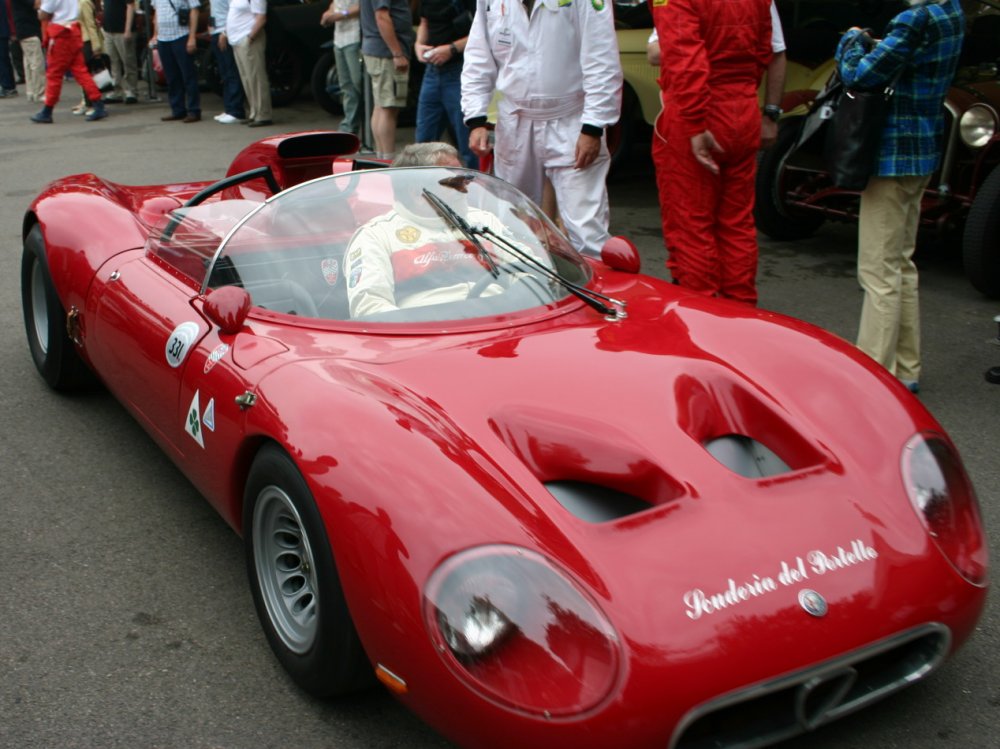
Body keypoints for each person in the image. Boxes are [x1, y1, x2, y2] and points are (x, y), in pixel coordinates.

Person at [836, 0, 964, 393]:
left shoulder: (914, 18)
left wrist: (852, 41)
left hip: (891, 156)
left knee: (878, 271)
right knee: (901, 265)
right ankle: (906, 369)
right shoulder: (952, 13)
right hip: (923, 153)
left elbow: (859, 76)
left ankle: (873, 377)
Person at [461, 0, 622, 258]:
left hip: (571, 121)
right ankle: (521, 291)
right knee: (512, 222)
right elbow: (478, 56)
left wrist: (593, 126)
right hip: (515, 122)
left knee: (586, 229)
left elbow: (601, 58)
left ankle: (597, 292)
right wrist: (476, 118)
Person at [651, 0, 784, 306]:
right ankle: (740, 313)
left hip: (697, 114)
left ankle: (703, 319)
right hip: (742, 106)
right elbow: (764, 49)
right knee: (737, 223)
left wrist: (695, 120)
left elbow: (683, 55)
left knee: (691, 227)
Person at [346, 142, 508, 317]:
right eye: (454, 182)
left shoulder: (485, 221)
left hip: (501, 320)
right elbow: (370, 307)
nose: (465, 188)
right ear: (418, 194)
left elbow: (529, 270)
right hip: (429, 332)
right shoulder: (375, 236)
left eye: (465, 178)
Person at [413, 0, 477, 168]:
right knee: (422, 144)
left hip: (459, 71)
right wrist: (419, 44)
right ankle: (420, 187)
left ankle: (476, 189)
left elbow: (484, 32)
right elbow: (424, 21)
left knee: (469, 145)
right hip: (432, 71)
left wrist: (452, 49)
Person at [31, 0, 108, 122]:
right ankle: (98, 104)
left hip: (60, 33)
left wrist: (40, 8)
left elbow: (43, 15)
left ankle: (48, 110)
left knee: (54, 74)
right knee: (80, 71)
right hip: (73, 31)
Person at [359, 0, 414, 157]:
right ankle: (388, 160)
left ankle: (381, 157)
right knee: (388, 109)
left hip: (376, 48)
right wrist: (397, 53)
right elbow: (382, 16)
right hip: (386, 53)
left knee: (381, 106)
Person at [150, 0, 201, 122]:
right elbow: (157, 13)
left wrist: (192, 37)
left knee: (188, 75)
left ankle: (194, 110)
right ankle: (178, 109)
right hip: (163, 38)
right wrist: (155, 34)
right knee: (171, 77)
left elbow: (194, 10)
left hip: (181, 35)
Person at [225, 0, 271, 127]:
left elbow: (261, 18)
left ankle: (263, 114)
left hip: (249, 39)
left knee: (256, 77)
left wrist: (250, 38)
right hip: (237, 40)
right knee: (247, 78)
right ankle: (254, 112)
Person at [320, 0, 362, 136]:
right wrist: (329, 13)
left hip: (355, 37)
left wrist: (341, 14)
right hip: (339, 39)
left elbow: (364, 7)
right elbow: (335, 3)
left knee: (358, 83)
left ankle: (362, 124)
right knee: (346, 85)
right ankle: (349, 126)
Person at [209, 0, 246, 123]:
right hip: (215, 30)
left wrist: (225, 31)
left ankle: (236, 110)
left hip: (225, 32)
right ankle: (229, 108)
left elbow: (233, 11)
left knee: (231, 71)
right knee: (224, 73)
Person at [101, 0, 138, 105]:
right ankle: (117, 90)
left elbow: (130, 6)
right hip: (109, 29)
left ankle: (131, 90)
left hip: (121, 30)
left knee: (127, 60)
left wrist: (128, 29)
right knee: (112, 62)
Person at [10, 0, 42, 101]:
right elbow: (36, 4)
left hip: (23, 30)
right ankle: (39, 92)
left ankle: (31, 91)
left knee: (28, 62)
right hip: (29, 30)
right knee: (36, 63)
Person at [0, 0, 18, 97]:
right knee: (4, 59)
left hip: (2, 32)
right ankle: (9, 86)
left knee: (3, 60)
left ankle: (7, 86)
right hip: (3, 31)